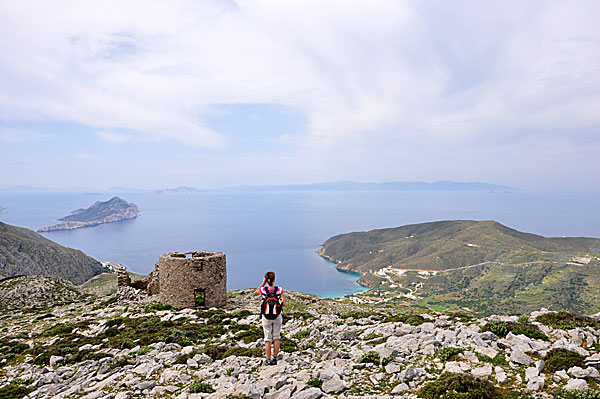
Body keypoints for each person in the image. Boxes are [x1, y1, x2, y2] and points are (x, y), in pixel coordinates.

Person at [256, 271, 285, 365]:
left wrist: (263, 283)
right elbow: (283, 304)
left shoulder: (263, 290)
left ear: (266, 280)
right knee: (276, 337)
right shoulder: (279, 290)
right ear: (274, 279)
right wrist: (278, 301)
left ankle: (268, 360)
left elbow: (257, 291)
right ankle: (275, 358)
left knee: (267, 339)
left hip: (266, 317)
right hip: (277, 316)